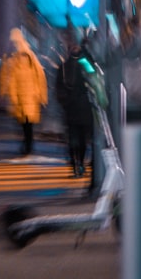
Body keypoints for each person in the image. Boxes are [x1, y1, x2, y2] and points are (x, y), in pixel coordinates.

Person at [0, 28, 48, 157]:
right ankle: (27, 145)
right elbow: (12, 80)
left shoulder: (25, 59)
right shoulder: (18, 60)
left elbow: (39, 77)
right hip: (24, 99)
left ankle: (28, 146)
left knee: (27, 125)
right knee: (25, 125)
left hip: (28, 99)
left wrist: (41, 95)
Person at [56, 28, 96, 178]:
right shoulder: (68, 65)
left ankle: (78, 165)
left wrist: (65, 103)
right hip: (78, 109)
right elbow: (60, 87)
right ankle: (77, 166)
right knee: (77, 140)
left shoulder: (75, 64)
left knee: (79, 140)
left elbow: (92, 74)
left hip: (78, 109)